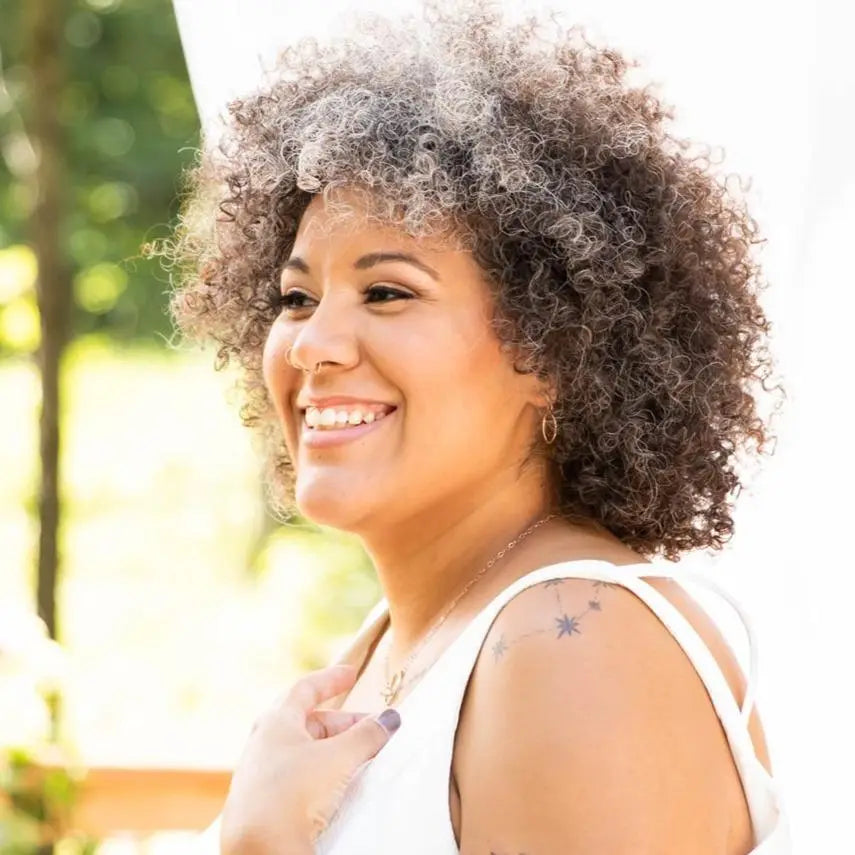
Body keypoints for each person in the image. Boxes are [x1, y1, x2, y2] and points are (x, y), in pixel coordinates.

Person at [163, 1, 792, 851]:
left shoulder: (572, 640)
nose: (312, 344)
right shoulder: (407, 635)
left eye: (386, 291)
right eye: (296, 297)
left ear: (554, 346)